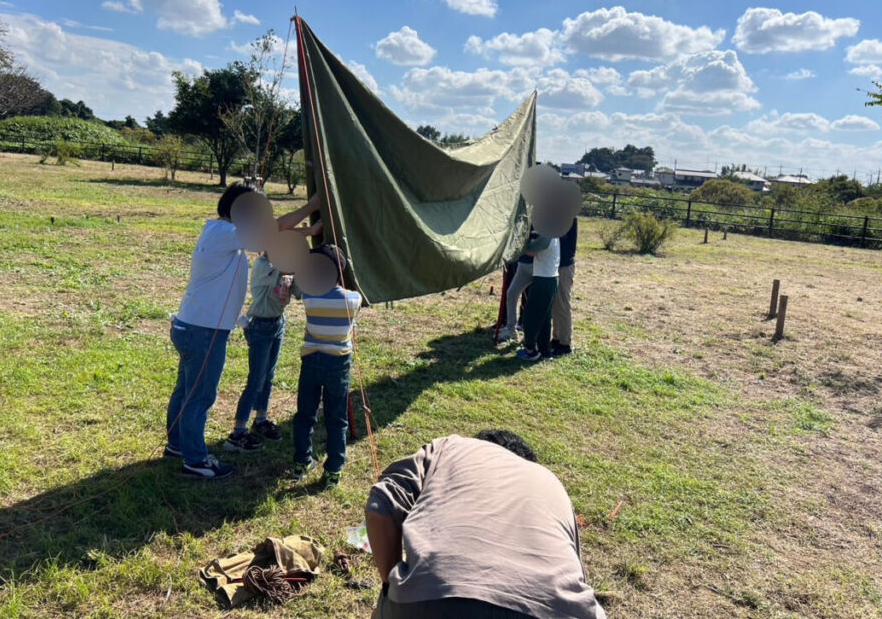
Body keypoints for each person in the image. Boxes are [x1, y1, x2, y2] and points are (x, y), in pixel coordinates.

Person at [365, 430, 606, 619]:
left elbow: (379, 509)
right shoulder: (552, 483)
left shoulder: (449, 448)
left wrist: (391, 590)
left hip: (430, 599)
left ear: (481, 443)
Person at [165, 186, 318, 480]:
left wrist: (311, 231)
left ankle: (177, 445)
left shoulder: (220, 232)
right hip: (205, 332)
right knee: (199, 397)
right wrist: (311, 206)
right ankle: (195, 460)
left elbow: (274, 235)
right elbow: (275, 229)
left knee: (185, 391)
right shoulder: (225, 234)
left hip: (192, 326)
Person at [224, 216, 323, 453]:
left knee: (268, 376)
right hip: (259, 326)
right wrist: (307, 236)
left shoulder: (285, 268)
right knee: (256, 379)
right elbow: (285, 269)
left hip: (277, 324)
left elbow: (298, 290)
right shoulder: (262, 267)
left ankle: (261, 418)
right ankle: (237, 431)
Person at [292, 243, 362, 487]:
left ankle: (302, 461)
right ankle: (333, 469)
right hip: (338, 364)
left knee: (305, 414)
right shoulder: (353, 299)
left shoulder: (309, 296)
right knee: (336, 418)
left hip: (311, 360)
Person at [496, 232, 550, 343]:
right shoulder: (524, 221)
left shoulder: (544, 225)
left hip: (539, 267)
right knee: (511, 293)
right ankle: (511, 329)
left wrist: (519, 248)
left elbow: (535, 250)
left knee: (534, 302)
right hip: (523, 265)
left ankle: (531, 335)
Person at [517, 235, 559, 362]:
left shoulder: (548, 234)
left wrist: (518, 246)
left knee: (531, 316)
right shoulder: (553, 232)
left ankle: (530, 350)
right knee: (544, 318)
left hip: (544, 279)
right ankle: (545, 351)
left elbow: (531, 251)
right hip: (549, 278)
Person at [550, 217, 578, 357]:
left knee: (563, 304)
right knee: (555, 303)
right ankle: (556, 338)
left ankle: (565, 343)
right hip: (556, 263)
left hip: (564, 265)